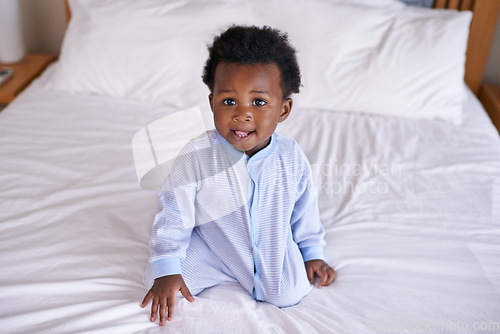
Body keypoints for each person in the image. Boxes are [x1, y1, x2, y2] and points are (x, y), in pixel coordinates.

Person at [141, 25, 336, 326]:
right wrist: (167, 267)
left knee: (288, 293)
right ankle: (186, 267)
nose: (242, 114)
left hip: (272, 245)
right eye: (229, 101)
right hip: (214, 246)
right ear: (212, 103)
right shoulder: (195, 156)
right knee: (161, 282)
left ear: (284, 110)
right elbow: (173, 214)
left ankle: (279, 264)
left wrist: (312, 253)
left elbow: (303, 208)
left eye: (258, 102)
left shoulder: (290, 156)